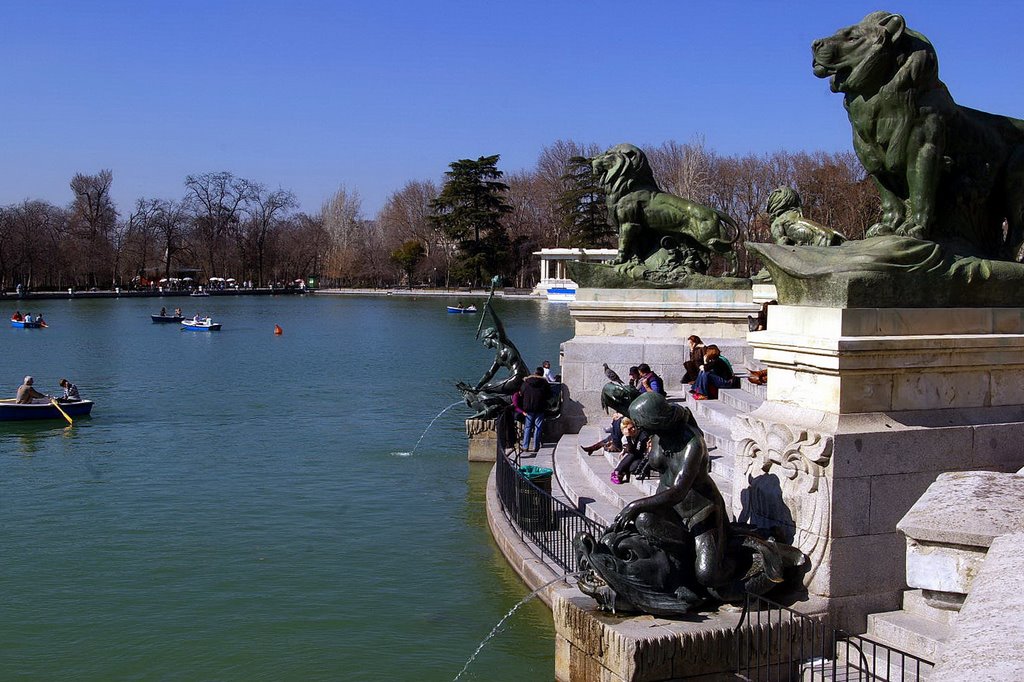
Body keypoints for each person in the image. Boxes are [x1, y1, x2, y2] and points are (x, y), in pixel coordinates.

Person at [519, 366, 552, 452]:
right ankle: (535, 446)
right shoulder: (544, 383)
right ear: (542, 374)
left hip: (528, 408)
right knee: (538, 427)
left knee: (527, 427)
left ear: (534, 373)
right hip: (540, 408)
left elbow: (521, 393)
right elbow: (549, 395)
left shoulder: (526, 382)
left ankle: (525, 446)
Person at [610, 417, 651, 485]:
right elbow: (630, 450)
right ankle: (618, 472)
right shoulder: (625, 438)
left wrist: (628, 439)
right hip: (635, 456)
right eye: (630, 429)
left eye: (633, 427)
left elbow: (637, 452)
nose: (633, 429)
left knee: (632, 467)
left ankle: (619, 471)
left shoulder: (642, 435)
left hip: (643, 456)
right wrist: (628, 438)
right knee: (631, 457)